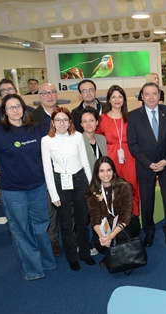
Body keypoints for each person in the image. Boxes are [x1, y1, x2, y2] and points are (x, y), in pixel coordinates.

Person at [0, 94, 56, 280]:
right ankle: (33, 270)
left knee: (41, 226)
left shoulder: (34, 129)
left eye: (18, 106)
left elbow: (48, 153)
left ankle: (47, 262)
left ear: (24, 109)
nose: (15, 110)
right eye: (10, 107)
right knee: (21, 230)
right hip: (12, 191)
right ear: (4, 112)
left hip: (37, 187)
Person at [41, 107, 94, 271]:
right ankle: (72, 257)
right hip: (60, 182)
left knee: (82, 221)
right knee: (66, 223)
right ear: (53, 122)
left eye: (65, 120)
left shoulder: (77, 136)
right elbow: (47, 170)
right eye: (58, 120)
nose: (62, 123)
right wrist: (53, 193)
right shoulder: (46, 140)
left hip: (79, 180)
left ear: (70, 121)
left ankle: (85, 254)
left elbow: (85, 162)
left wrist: (91, 186)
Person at [128, 82, 166, 247]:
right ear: (142, 96)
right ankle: (148, 232)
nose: (151, 97)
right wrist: (149, 164)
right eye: (147, 94)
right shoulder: (134, 116)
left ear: (159, 95)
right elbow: (133, 145)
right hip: (145, 166)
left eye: (154, 93)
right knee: (147, 202)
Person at [85, 156, 141, 267]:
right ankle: (113, 253)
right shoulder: (92, 192)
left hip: (126, 222)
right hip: (106, 224)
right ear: (97, 173)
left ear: (113, 171)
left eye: (108, 170)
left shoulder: (125, 187)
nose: (106, 174)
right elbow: (94, 217)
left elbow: (126, 215)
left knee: (120, 237)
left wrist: (111, 236)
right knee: (98, 243)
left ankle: (114, 254)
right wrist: (102, 236)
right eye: (102, 171)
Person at [96, 85, 140, 216]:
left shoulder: (130, 117)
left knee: (131, 188)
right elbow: (97, 139)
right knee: (113, 189)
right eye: (113, 96)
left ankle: (132, 220)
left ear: (124, 99)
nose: (117, 100)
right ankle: (115, 221)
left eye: (120, 96)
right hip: (111, 159)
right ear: (108, 100)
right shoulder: (102, 119)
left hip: (130, 158)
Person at [30, 82, 61, 256]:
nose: (50, 96)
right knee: (50, 208)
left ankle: (72, 235)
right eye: (45, 93)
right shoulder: (32, 118)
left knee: (68, 204)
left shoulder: (63, 113)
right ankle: (53, 239)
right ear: (39, 97)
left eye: (52, 92)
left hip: (64, 168)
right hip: (44, 169)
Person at [80, 107, 108, 175]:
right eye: (85, 121)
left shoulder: (102, 139)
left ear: (97, 122)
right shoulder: (78, 141)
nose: (88, 124)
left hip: (103, 178)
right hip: (86, 180)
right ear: (81, 124)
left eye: (91, 120)